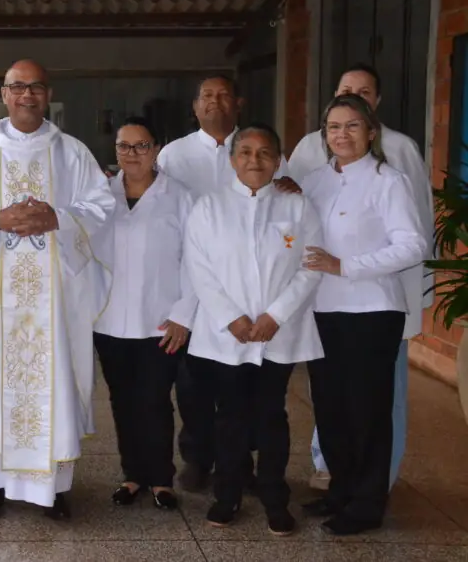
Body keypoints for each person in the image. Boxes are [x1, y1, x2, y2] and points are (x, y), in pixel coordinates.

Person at [0, 60, 114, 524]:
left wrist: (59, 217)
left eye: (36, 87)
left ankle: (49, 490)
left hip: (52, 303)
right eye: (18, 87)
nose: (27, 95)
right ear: (5, 93)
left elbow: (101, 206)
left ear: (47, 92)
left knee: (49, 385)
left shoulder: (72, 153)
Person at [287, 64, 432, 492]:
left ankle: (367, 501)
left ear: (371, 131)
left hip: (371, 311)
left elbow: (412, 245)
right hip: (324, 312)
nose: (342, 135)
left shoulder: (389, 180)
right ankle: (340, 493)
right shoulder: (313, 182)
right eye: (334, 127)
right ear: (324, 133)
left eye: (352, 126)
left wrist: (345, 266)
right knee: (330, 410)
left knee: (367, 410)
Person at [183, 124, 324, 535]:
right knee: (229, 417)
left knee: (270, 417)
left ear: (279, 160)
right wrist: (232, 317)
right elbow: (200, 268)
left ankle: (274, 497)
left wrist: (275, 315)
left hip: (277, 334)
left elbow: (309, 265)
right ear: (232, 161)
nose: (254, 161)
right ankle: (226, 496)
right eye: (245, 152)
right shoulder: (209, 207)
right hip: (226, 335)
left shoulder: (298, 207)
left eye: (265, 153)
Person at [156, 75, 293, 491]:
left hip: (251, 290)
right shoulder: (173, 155)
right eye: (206, 96)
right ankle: (197, 457)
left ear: (239, 102)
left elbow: (287, 204)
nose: (214, 102)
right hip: (191, 282)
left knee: (245, 387)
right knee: (193, 384)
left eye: (223, 95)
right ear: (195, 107)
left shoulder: (262, 148)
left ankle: (240, 465)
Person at [92, 117, 195, 512]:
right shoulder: (102, 195)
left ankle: (161, 479)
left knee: (154, 400)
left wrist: (185, 314)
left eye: (140, 146)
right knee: (122, 399)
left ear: (156, 149)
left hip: (162, 321)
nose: (131, 154)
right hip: (110, 319)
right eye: (123, 146)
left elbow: (197, 260)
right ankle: (132, 474)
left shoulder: (180, 196)